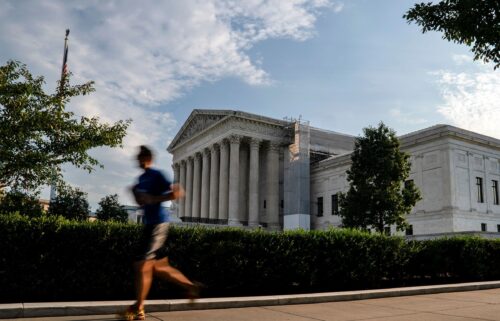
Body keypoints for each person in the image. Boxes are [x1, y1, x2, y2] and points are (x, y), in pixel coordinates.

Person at [121, 145, 199, 321]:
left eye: (140, 157)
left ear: (148, 158)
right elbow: (142, 203)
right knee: (157, 266)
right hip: (149, 224)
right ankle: (191, 286)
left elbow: (178, 192)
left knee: (142, 264)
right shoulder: (141, 179)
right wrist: (135, 193)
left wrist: (155, 199)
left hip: (159, 223)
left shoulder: (157, 175)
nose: (138, 161)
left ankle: (139, 307)